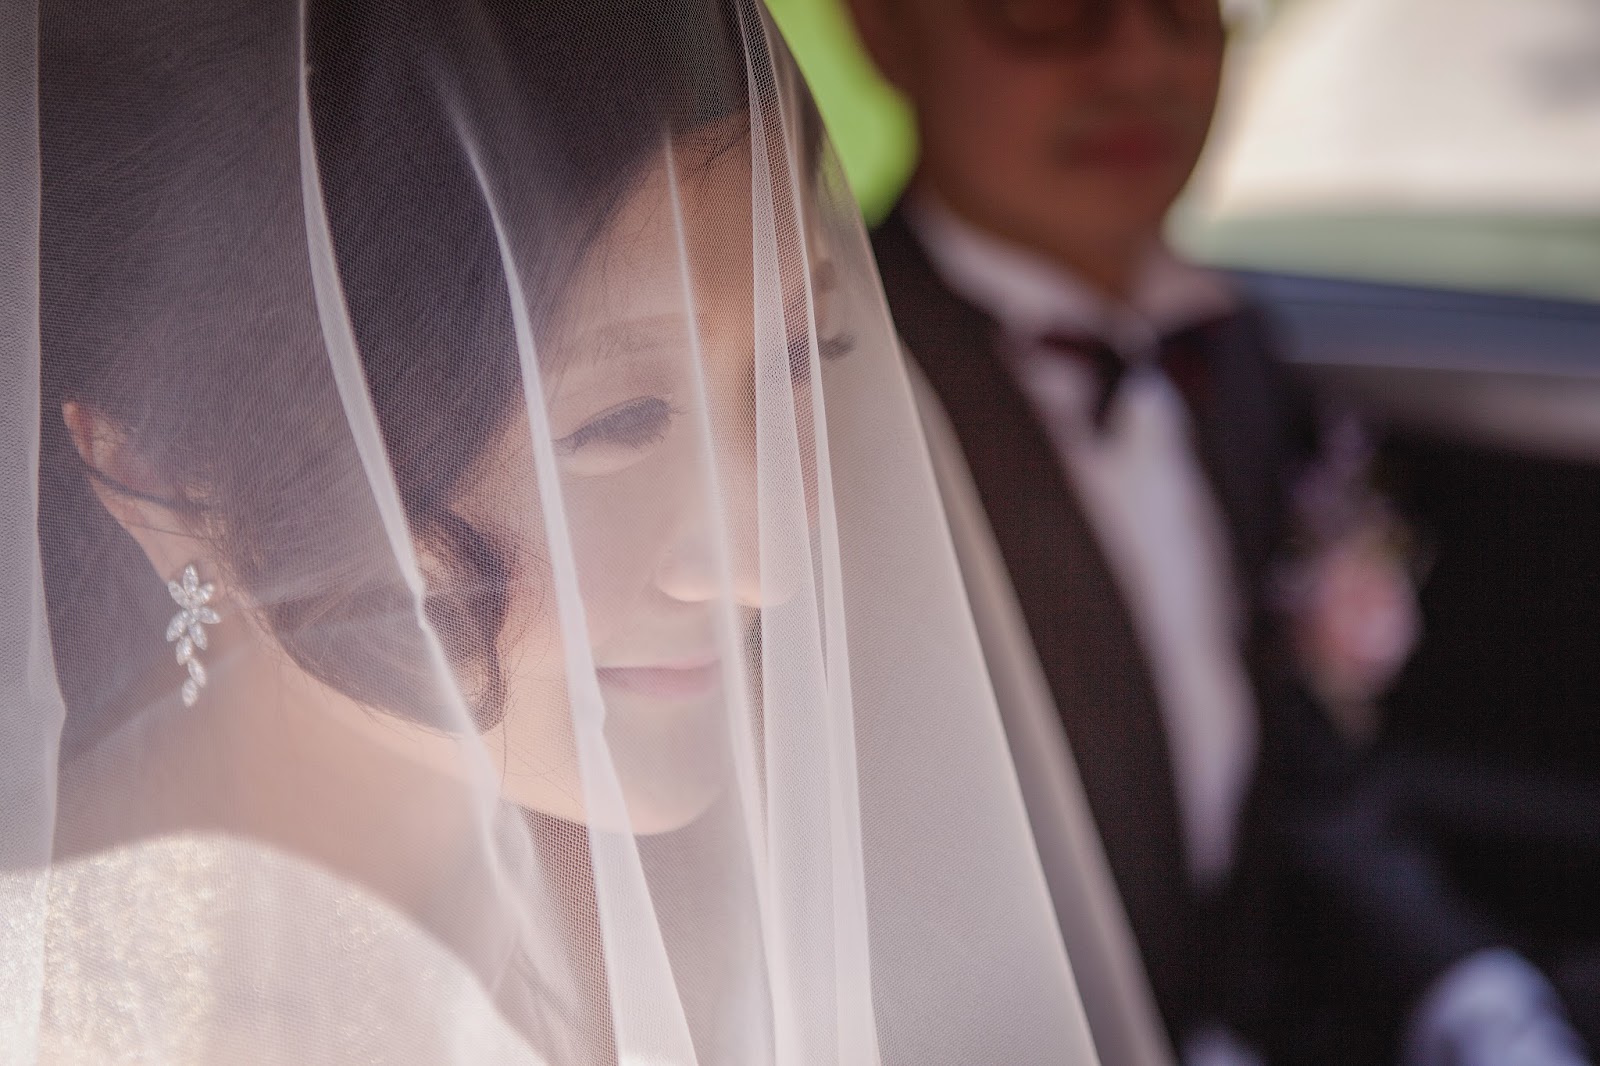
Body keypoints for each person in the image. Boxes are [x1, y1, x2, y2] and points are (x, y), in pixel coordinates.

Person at [2, 0, 1102, 1061]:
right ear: (157, 478)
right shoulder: (82, 1025)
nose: (768, 564)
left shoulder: (759, 894)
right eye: (614, 422)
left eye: (795, 359)